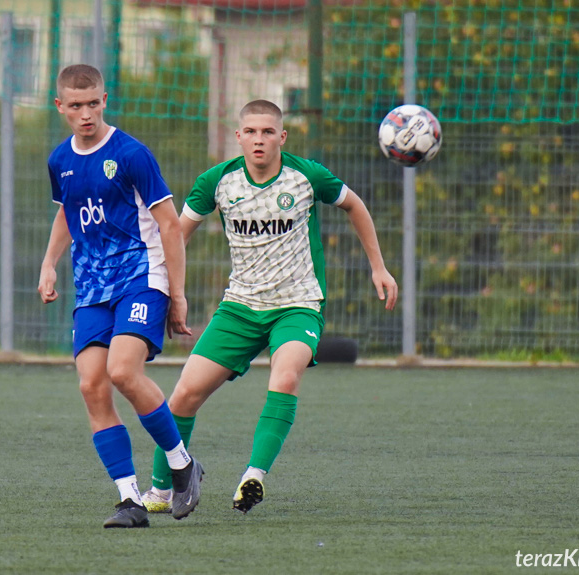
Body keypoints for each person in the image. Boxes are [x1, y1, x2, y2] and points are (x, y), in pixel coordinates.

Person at [142, 99, 397, 515]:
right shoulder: (217, 183)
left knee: (285, 375)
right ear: (238, 136)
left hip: (297, 304)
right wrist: (165, 291)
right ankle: (161, 489)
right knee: (184, 395)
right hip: (240, 307)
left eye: (267, 132)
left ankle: (253, 476)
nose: (259, 139)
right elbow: (176, 236)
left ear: (282, 136)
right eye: (251, 132)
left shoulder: (307, 175)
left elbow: (355, 205)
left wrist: (378, 267)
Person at [37, 64, 204, 528]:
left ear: (104, 100)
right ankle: (130, 500)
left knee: (122, 371)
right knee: (92, 384)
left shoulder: (131, 153)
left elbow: (169, 223)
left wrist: (177, 292)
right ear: (60, 107)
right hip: (91, 288)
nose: (85, 114)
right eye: (75, 106)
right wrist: (49, 263)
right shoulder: (59, 160)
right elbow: (69, 214)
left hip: (140, 278)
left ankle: (181, 463)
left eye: (93, 103)